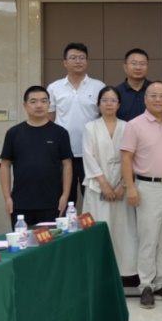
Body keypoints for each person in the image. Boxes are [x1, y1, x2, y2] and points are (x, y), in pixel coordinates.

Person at [120, 82, 162, 309]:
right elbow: (126, 158)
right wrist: (130, 187)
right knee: (148, 239)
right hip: (147, 187)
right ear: (145, 99)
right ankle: (146, 285)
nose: (158, 100)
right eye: (153, 95)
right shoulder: (134, 125)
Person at [81, 86, 137, 276]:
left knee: (124, 229)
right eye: (104, 100)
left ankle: (125, 272)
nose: (109, 104)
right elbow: (88, 157)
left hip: (123, 185)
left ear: (119, 104)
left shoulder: (128, 126)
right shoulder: (90, 127)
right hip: (98, 186)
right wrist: (104, 185)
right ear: (98, 104)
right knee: (99, 226)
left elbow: (133, 157)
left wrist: (123, 184)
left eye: (113, 100)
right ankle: (98, 271)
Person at [0, 86, 73, 228]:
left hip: (53, 203)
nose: (39, 105)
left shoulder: (60, 133)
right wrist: (7, 197)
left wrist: (65, 195)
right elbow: (5, 165)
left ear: (49, 104)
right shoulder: (13, 133)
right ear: (25, 105)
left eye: (43, 101)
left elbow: (67, 165)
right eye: (33, 101)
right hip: (21, 204)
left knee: (52, 241)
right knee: (23, 241)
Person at [47, 42, 105, 205]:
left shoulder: (98, 86)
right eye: (73, 58)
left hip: (92, 152)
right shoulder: (54, 87)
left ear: (87, 61)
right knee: (64, 198)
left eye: (82, 58)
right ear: (65, 62)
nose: (78, 61)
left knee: (92, 198)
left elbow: (104, 118)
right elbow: (49, 120)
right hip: (63, 153)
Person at [116, 48, 152, 121]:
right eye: (133, 63)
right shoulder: (116, 93)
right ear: (125, 67)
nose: (138, 67)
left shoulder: (155, 90)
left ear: (147, 67)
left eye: (142, 64)